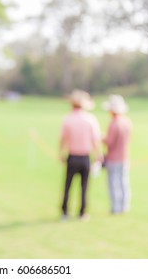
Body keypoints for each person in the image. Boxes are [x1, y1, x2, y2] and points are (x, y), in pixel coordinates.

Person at [59, 90, 102, 221]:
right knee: (84, 187)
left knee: (68, 186)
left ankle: (65, 212)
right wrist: (98, 154)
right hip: (85, 157)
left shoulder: (68, 119)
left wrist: (60, 153)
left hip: (72, 156)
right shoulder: (90, 119)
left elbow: (63, 139)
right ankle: (82, 212)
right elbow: (95, 140)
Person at [102, 95, 132, 215]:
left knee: (113, 183)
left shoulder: (114, 124)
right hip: (124, 157)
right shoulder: (127, 122)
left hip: (114, 158)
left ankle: (116, 207)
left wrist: (102, 138)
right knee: (123, 182)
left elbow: (110, 143)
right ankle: (124, 206)